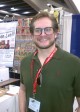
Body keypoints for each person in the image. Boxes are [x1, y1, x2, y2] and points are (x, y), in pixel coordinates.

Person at [19, 11, 80, 112]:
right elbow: (22, 89)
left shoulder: (74, 63)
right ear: (32, 35)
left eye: (48, 30)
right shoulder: (25, 62)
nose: (43, 34)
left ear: (56, 33)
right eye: (38, 30)